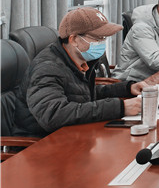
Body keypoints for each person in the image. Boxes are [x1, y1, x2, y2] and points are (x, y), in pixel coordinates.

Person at [13, 7, 145, 137]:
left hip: (72, 134)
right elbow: (53, 115)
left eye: (104, 38)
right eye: (98, 38)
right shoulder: (47, 68)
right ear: (74, 39)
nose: (102, 43)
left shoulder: (79, 60)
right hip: (42, 143)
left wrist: (127, 88)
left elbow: (83, 94)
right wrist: (120, 107)